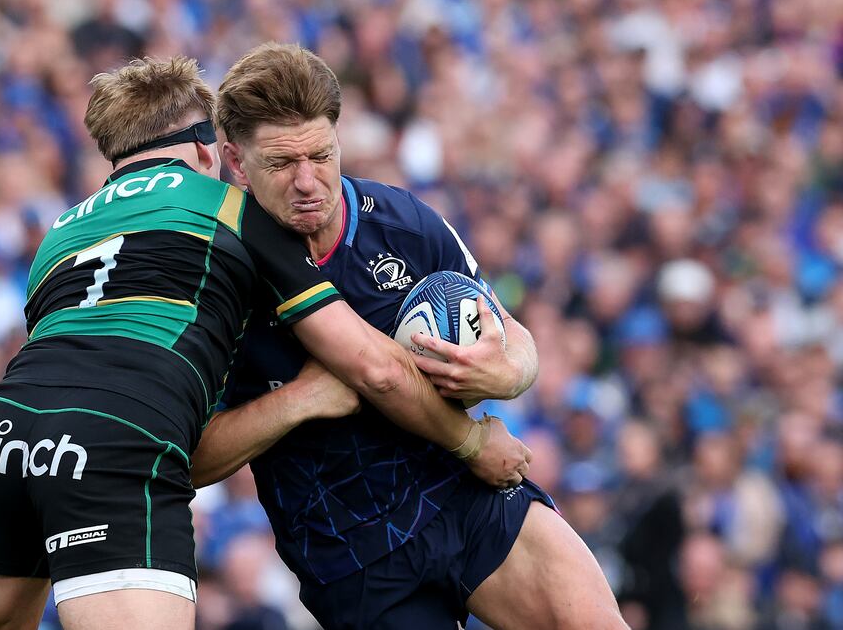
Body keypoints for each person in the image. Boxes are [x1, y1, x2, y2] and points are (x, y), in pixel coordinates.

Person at [0, 56, 530, 630]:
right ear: (206, 149)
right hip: (118, 441)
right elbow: (374, 368)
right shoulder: (231, 208)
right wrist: (472, 441)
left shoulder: (58, 234)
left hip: (3, 435)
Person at [192, 43, 628, 629]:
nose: (307, 182)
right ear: (236, 163)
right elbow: (189, 461)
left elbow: (511, 331)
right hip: (354, 556)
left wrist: (509, 372)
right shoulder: (212, 282)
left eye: (321, 155)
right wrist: (298, 400)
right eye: (280, 164)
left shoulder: (402, 222)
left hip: (466, 493)